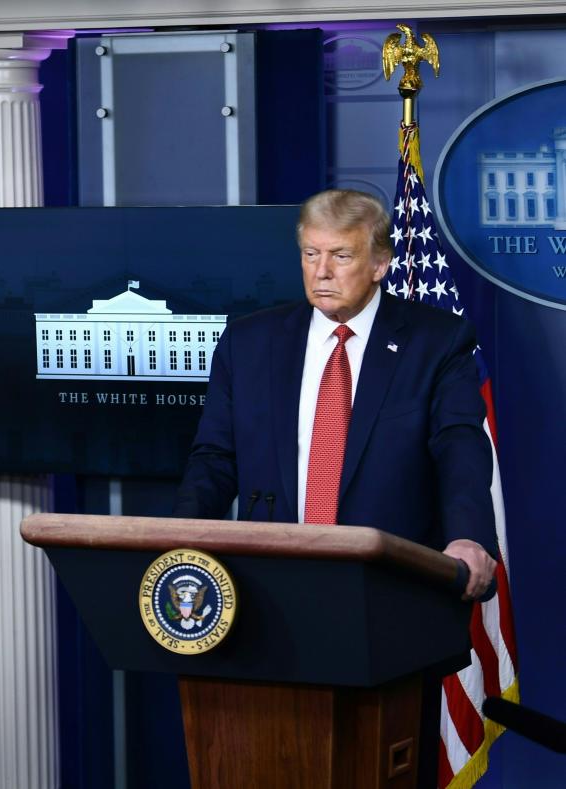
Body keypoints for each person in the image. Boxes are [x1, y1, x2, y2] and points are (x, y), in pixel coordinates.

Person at [173, 189, 497, 598]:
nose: (321, 271)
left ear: (380, 264)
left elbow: (459, 447)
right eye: (311, 254)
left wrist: (468, 538)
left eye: (340, 256)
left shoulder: (436, 341)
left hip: (392, 587)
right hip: (272, 583)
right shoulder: (249, 341)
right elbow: (216, 457)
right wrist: (178, 539)